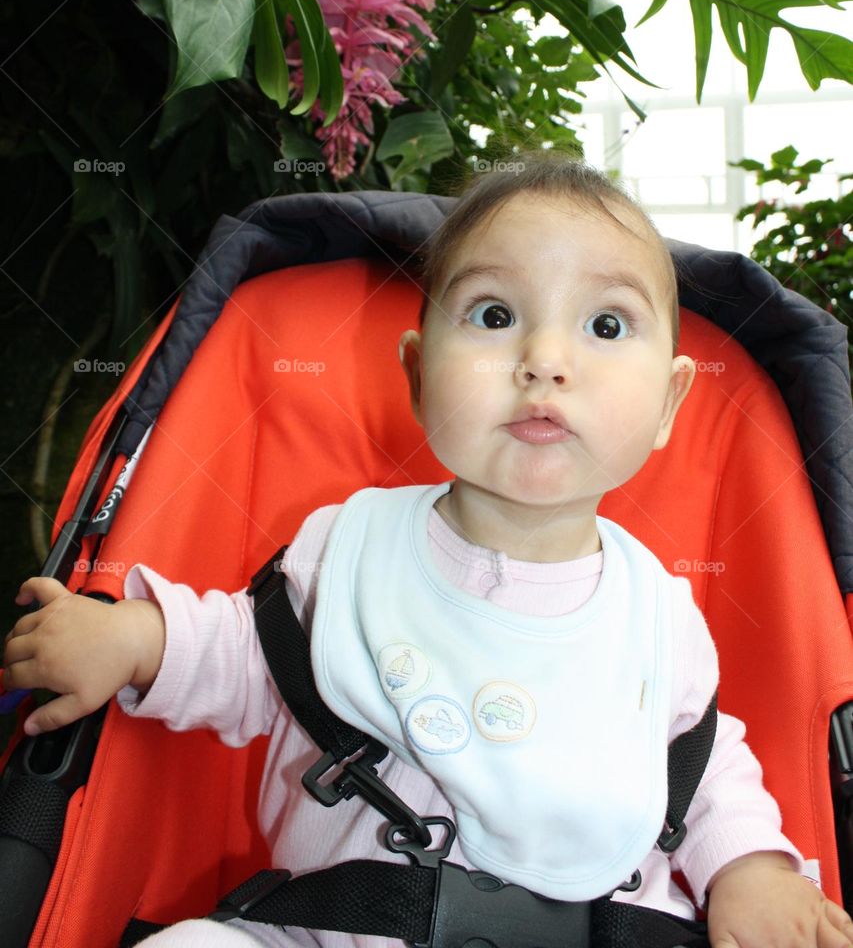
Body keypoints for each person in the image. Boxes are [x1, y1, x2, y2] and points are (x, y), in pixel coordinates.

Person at [5, 150, 853, 948]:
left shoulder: (658, 614)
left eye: (604, 324)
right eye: (494, 316)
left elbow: (699, 765)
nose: (544, 360)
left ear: (669, 405)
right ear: (416, 376)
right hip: (330, 927)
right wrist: (134, 639)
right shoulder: (348, 551)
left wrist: (750, 869)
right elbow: (247, 653)